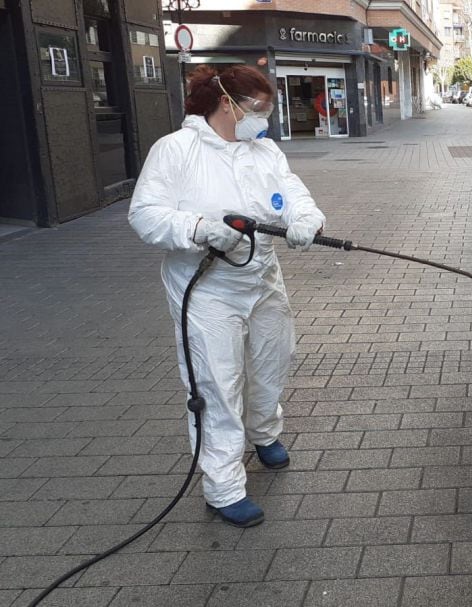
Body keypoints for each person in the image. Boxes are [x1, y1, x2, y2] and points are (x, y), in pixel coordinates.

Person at [129, 65, 325, 528]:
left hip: (262, 278)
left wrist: (307, 218)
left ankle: (264, 431)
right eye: (258, 109)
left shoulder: (264, 150)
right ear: (226, 103)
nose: (265, 119)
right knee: (217, 383)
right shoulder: (176, 151)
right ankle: (223, 486)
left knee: (272, 360)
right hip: (207, 287)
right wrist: (200, 229)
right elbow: (145, 215)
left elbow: (291, 192)